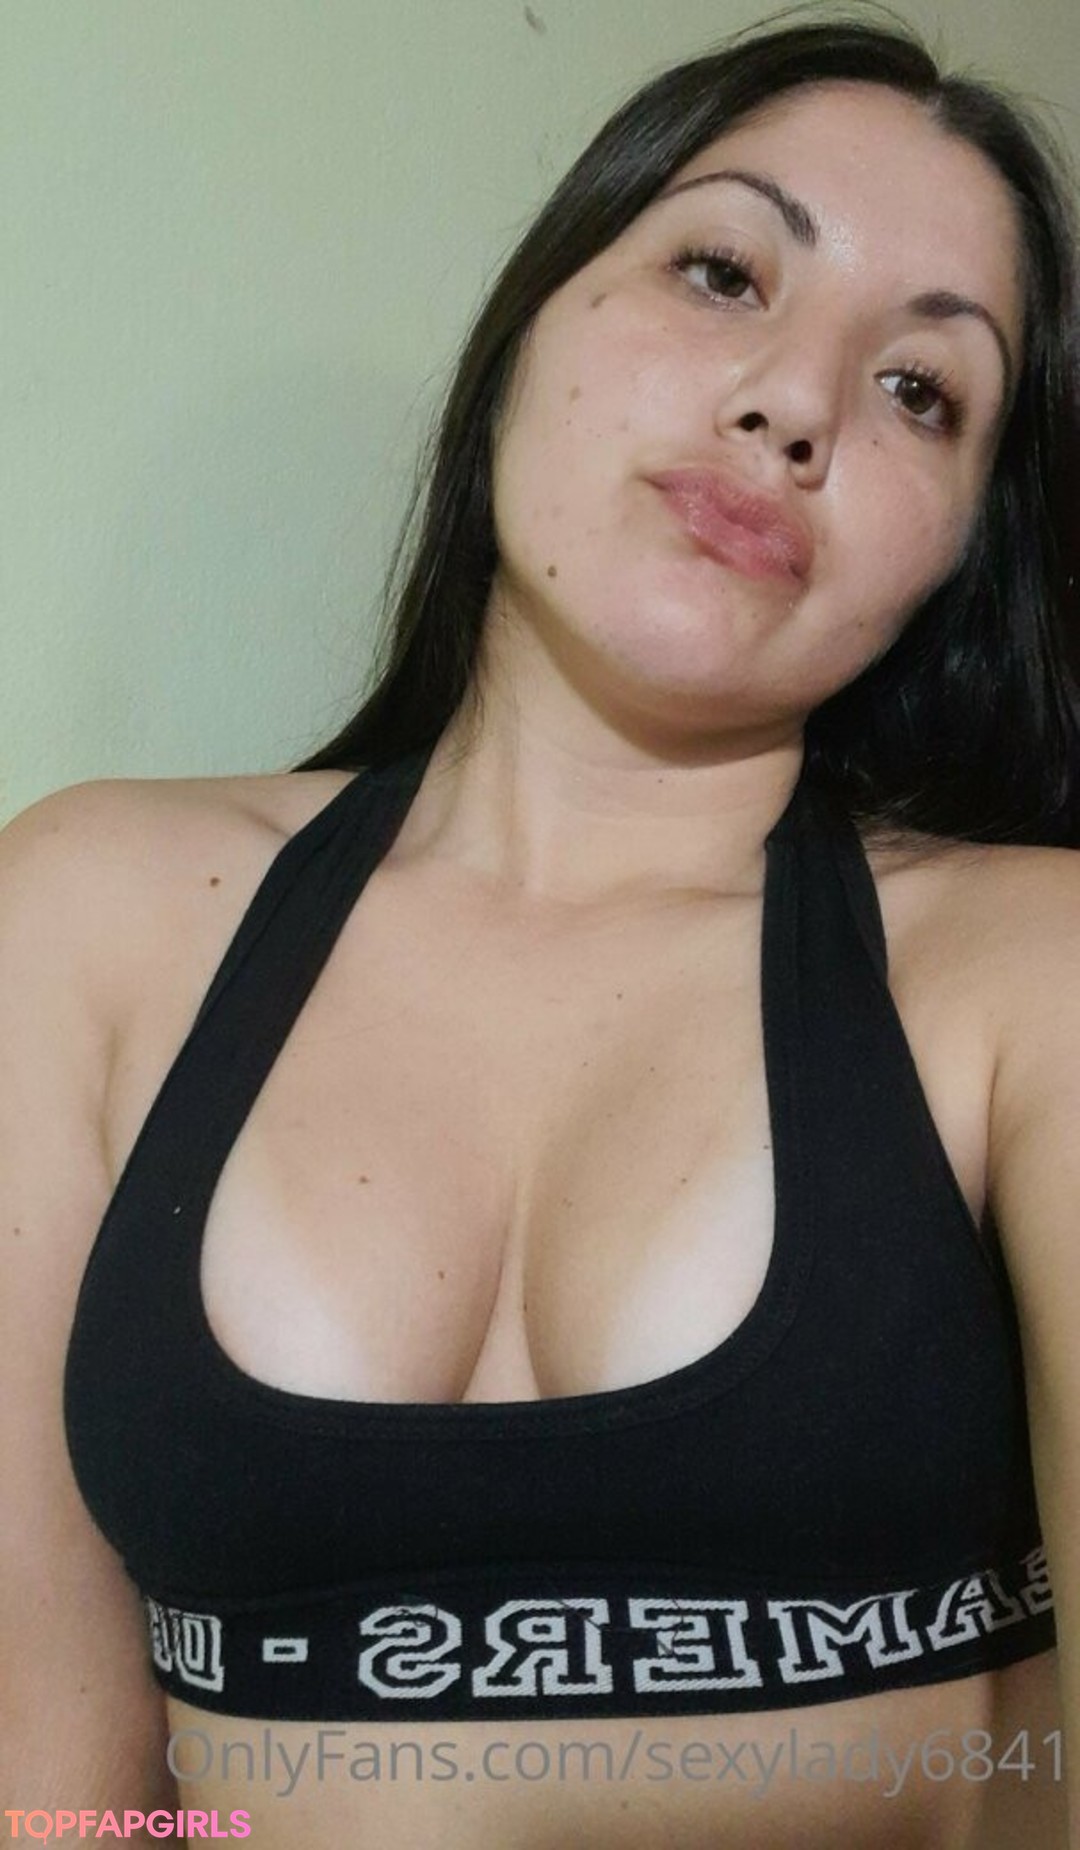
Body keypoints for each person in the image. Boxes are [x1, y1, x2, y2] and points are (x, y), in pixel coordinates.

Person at [3, 11, 1080, 1848]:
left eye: (922, 388)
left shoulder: (1027, 976)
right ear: (524, 332)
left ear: (962, 550)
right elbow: (59, 1792)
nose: (796, 403)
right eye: (723, 272)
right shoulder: (87, 917)